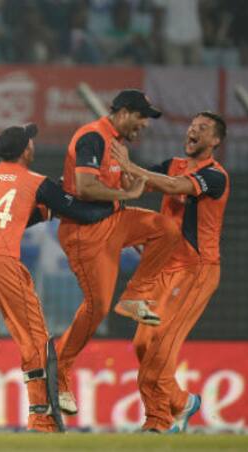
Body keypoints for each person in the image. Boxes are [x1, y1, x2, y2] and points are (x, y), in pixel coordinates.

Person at [0, 124, 139, 432]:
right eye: (31, 142)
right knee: (34, 338)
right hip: (0, 263)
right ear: (25, 151)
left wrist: (50, 208)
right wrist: (120, 199)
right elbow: (84, 213)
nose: (34, 145)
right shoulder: (36, 181)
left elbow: (14, 217)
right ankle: (41, 417)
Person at [54, 89, 180, 416]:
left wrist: (129, 186)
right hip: (86, 233)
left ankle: (135, 296)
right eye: (141, 117)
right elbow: (85, 187)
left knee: (166, 229)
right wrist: (129, 191)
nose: (144, 125)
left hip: (113, 221)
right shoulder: (93, 138)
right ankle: (60, 370)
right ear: (123, 112)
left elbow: (113, 190)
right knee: (96, 309)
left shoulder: (118, 145)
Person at [110, 112, 229, 433]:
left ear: (215, 141)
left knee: (160, 348)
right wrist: (116, 170)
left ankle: (158, 422)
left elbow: (173, 186)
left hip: (195, 272)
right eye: (192, 126)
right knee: (142, 346)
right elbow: (138, 184)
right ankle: (181, 402)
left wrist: (132, 166)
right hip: (164, 268)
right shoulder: (173, 163)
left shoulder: (215, 176)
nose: (193, 130)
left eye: (202, 129)